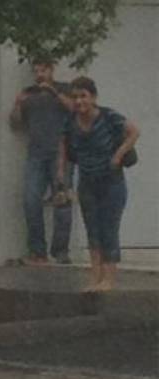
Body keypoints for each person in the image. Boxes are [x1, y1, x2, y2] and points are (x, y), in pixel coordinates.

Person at [59, 76, 141, 292]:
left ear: (93, 97)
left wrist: (118, 154)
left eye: (83, 96)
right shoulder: (69, 122)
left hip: (112, 182)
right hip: (87, 183)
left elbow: (134, 131)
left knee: (109, 229)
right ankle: (95, 277)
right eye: (75, 97)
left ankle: (109, 279)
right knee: (92, 230)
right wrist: (61, 176)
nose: (79, 102)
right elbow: (63, 148)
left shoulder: (108, 116)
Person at [9, 59, 74, 265]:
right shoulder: (29, 92)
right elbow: (16, 123)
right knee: (30, 200)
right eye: (36, 70)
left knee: (62, 201)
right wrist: (18, 104)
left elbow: (74, 109)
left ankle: (61, 252)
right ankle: (38, 252)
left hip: (60, 153)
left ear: (51, 69)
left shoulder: (64, 89)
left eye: (43, 69)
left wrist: (53, 92)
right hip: (36, 153)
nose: (39, 74)